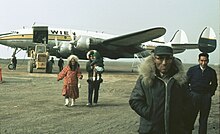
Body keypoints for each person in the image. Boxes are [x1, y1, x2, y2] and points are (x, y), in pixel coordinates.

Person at [129, 46, 192, 134]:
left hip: (175, 129)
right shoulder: (145, 78)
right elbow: (135, 100)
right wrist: (149, 113)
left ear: (172, 60)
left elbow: (188, 101)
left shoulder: (180, 80)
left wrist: (180, 116)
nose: (164, 62)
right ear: (154, 59)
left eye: (168, 59)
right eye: (160, 58)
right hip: (151, 129)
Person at [187, 53, 218, 134]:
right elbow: (186, 83)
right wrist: (190, 94)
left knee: (204, 119)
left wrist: (210, 94)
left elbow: (214, 84)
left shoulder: (211, 71)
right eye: (202, 60)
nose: (203, 63)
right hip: (194, 96)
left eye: (205, 61)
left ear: (208, 61)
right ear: (198, 60)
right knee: (191, 117)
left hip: (206, 97)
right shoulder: (192, 70)